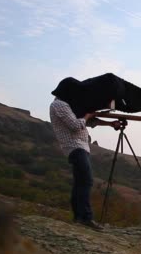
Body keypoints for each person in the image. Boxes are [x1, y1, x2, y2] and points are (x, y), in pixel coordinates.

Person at [50, 97, 120, 230]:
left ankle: (78, 217)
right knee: (86, 181)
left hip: (80, 147)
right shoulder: (59, 104)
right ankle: (85, 218)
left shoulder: (68, 105)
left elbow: (90, 122)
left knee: (80, 183)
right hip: (74, 146)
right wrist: (87, 115)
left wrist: (111, 124)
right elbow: (76, 125)